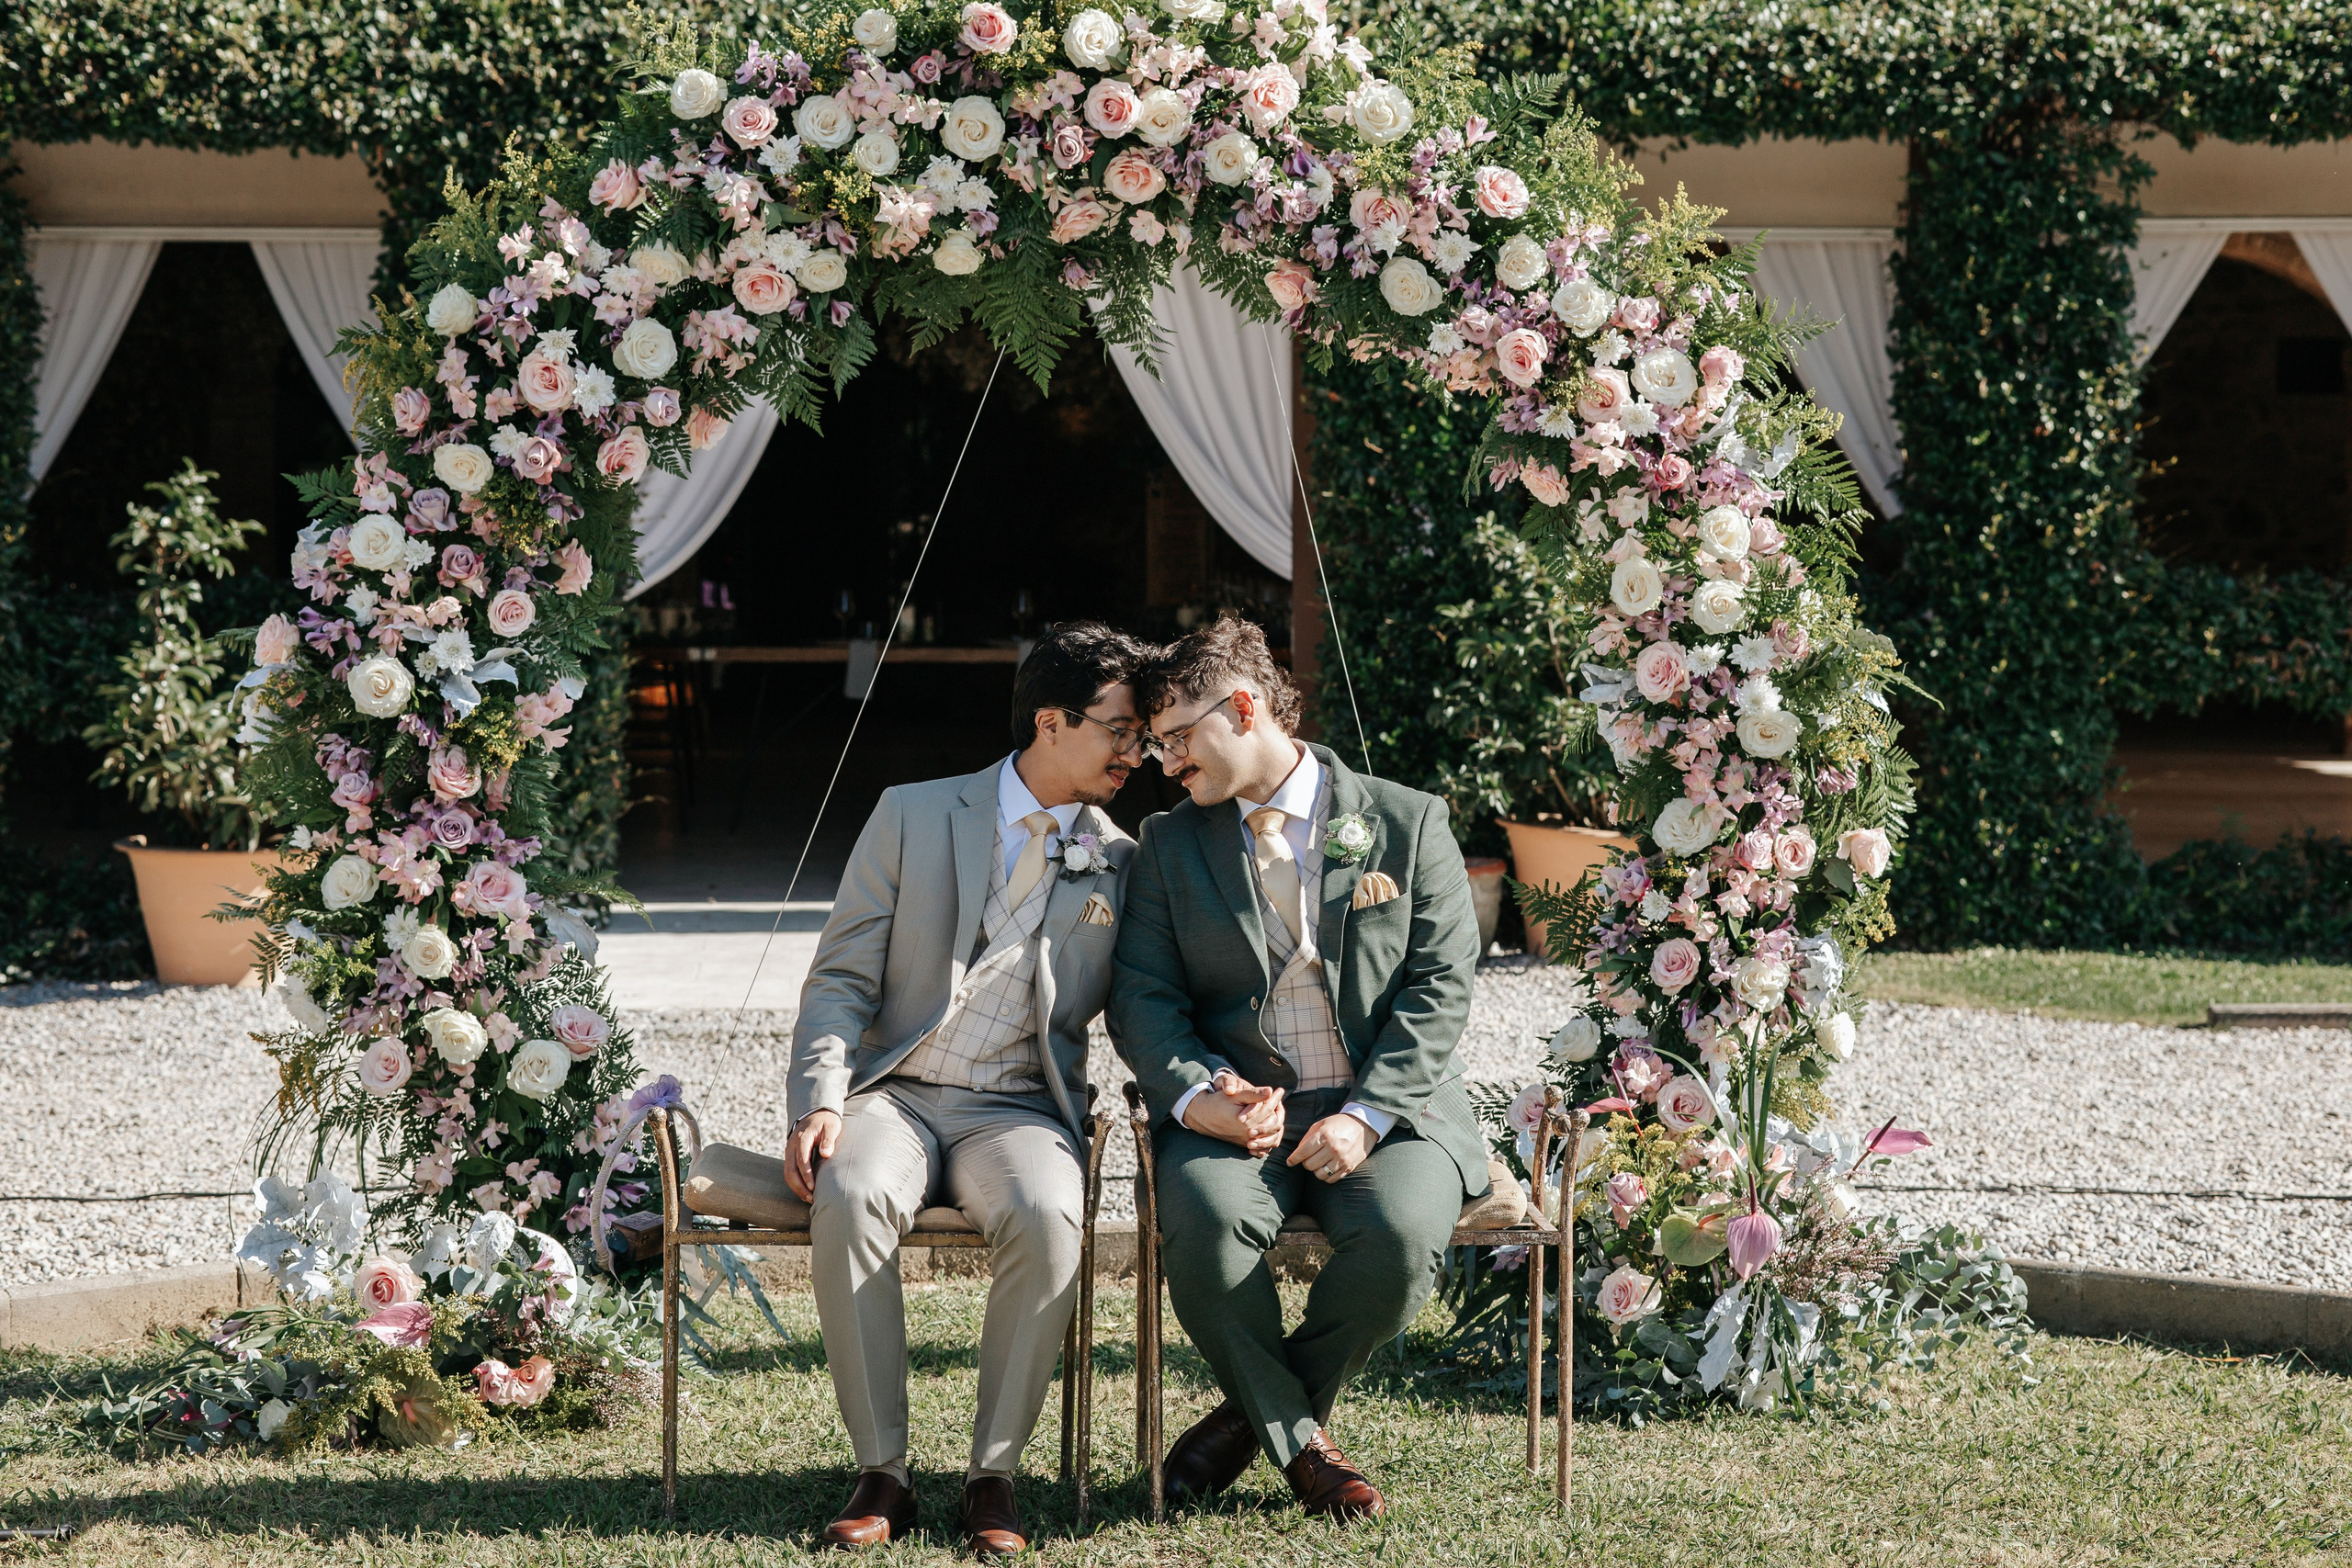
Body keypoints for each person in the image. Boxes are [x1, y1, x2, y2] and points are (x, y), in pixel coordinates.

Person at [786, 621, 1157, 1556]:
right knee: (852, 1187)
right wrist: (822, 1098)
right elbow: (840, 978)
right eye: (1118, 728)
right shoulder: (911, 813)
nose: (1136, 751)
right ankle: (883, 1472)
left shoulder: (1125, 862)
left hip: (1021, 1108)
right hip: (895, 1094)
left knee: (1047, 1214)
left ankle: (994, 1476)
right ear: (1049, 721)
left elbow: (1148, 1008)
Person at [1108, 615, 1487, 1520]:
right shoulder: (1169, 844)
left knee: (1396, 1241)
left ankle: (1250, 1423)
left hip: (1389, 1114)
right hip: (1242, 1122)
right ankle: (1309, 1449)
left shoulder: (1404, 819)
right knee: (1200, 1221)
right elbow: (1142, 997)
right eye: (1156, 746)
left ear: (1242, 708)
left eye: (1176, 739)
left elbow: (1439, 985)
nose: (1166, 764)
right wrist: (1201, 1096)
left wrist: (1367, 1116)